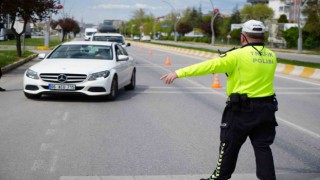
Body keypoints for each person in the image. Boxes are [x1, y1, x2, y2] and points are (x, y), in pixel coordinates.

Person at [160, 20, 278, 180]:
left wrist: (178, 73)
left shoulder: (236, 55)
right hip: (267, 110)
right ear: (262, 36)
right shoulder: (271, 56)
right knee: (263, 147)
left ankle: (218, 178)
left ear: (243, 37)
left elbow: (209, 66)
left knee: (229, 145)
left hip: (241, 111)